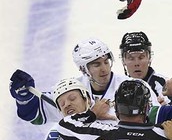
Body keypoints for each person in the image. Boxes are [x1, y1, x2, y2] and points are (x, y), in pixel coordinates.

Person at [9, 38, 161, 125]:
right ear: (83, 69)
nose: (104, 69)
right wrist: (24, 97)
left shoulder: (135, 87)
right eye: (96, 64)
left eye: (106, 62)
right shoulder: (70, 92)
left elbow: (154, 122)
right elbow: (34, 114)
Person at [119, 31, 172, 105]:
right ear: (123, 61)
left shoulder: (162, 83)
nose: (137, 63)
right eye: (131, 58)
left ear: (149, 58)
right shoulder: (119, 86)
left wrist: (163, 109)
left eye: (141, 57)